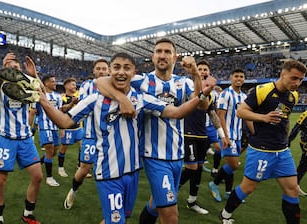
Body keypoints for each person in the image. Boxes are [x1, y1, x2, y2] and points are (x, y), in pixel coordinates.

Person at [38, 52, 215, 224]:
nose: (121, 72)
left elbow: (176, 112)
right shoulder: (94, 100)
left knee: (121, 218)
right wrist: (44, 101)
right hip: (108, 173)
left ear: (133, 73)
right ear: (110, 71)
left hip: (132, 172)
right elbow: (64, 121)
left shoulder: (142, 99)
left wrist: (202, 94)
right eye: (116, 67)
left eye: (126, 68)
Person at [96, 38, 210, 224]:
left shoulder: (184, 83)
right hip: (154, 156)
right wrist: (122, 99)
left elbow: (202, 104)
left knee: (156, 204)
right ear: (153, 56)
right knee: (171, 216)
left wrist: (196, 73)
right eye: (158, 51)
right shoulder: (142, 81)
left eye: (167, 52)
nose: (162, 55)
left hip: (176, 155)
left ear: (175, 57)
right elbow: (100, 81)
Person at [219, 59, 307, 224]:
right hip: (261, 150)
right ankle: (225, 214)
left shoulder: (293, 96)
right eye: (294, 78)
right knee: (248, 188)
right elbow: (241, 112)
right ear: (282, 74)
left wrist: (285, 139)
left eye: (301, 79)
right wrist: (263, 118)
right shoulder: (262, 90)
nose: (298, 83)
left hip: (282, 151)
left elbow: (285, 120)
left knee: (292, 189)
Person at [0, 53, 43, 224]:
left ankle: (28, 214)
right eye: (11, 67)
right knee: (0, 179)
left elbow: (43, 94)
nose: (14, 69)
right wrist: (1, 73)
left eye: (17, 67)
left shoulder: (26, 86)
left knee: (38, 177)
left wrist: (34, 75)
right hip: (5, 138)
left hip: (25, 139)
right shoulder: (0, 86)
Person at [179, 60, 227, 215]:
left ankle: (192, 201)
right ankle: (170, 192)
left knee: (198, 169)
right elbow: (197, 97)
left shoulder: (211, 94)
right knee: (191, 168)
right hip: (188, 133)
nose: (202, 71)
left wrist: (222, 135)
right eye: (199, 69)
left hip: (202, 135)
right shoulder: (186, 87)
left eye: (205, 69)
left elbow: (212, 113)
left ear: (209, 72)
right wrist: (200, 82)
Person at [64, 58, 109, 209]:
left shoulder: (116, 85)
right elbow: (84, 106)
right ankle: (73, 191)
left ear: (108, 71)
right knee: (84, 168)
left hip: (110, 136)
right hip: (91, 134)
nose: (101, 71)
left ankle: (110, 200)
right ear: (94, 71)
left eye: (104, 68)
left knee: (110, 169)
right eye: (99, 68)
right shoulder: (87, 85)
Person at [208, 68, 247, 202]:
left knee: (231, 165)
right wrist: (225, 136)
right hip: (227, 135)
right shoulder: (225, 94)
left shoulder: (244, 97)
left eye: (241, 76)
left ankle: (229, 192)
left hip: (238, 135)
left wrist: (254, 133)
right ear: (231, 78)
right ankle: (214, 183)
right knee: (234, 164)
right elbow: (220, 116)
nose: (239, 78)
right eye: (236, 76)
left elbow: (246, 117)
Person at [32, 75, 62, 187]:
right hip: (44, 126)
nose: (55, 83)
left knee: (54, 151)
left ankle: (39, 163)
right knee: (49, 150)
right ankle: (49, 177)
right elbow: (34, 111)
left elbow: (60, 111)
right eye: (52, 82)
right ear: (46, 84)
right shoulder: (40, 96)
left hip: (55, 127)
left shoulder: (58, 96)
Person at [288, 93, 307, 197]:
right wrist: (288, 142)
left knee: (303, 166)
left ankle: (295, 186)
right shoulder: (305, 115)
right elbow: (296, 129)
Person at [58, 78, 85, 178]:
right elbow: (62, 111)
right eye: (73, 84)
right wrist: (61, 128)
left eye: (75, 85)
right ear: (66, 86)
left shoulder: (79, 96)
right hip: (67, 128)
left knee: (82, 146)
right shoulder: (62, 98)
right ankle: (60, 168)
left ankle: (80, 166)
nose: (75, 86)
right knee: (64, 148)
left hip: (78, 127)